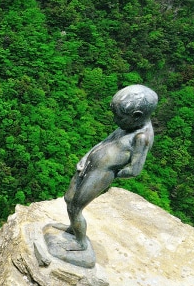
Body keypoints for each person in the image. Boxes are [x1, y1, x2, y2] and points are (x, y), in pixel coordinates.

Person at [60, 84, 157, 252]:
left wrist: (110, 173)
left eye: (118, 117)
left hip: (102, 173)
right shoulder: (128, 125)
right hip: (90, 165)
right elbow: (105, 142)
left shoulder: (142, 137)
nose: (114, 120)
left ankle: (81, 243)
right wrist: (86, 157)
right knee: (69, 198)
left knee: (75, 207)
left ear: (136, 116)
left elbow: (135, 170)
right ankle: (73, 228)